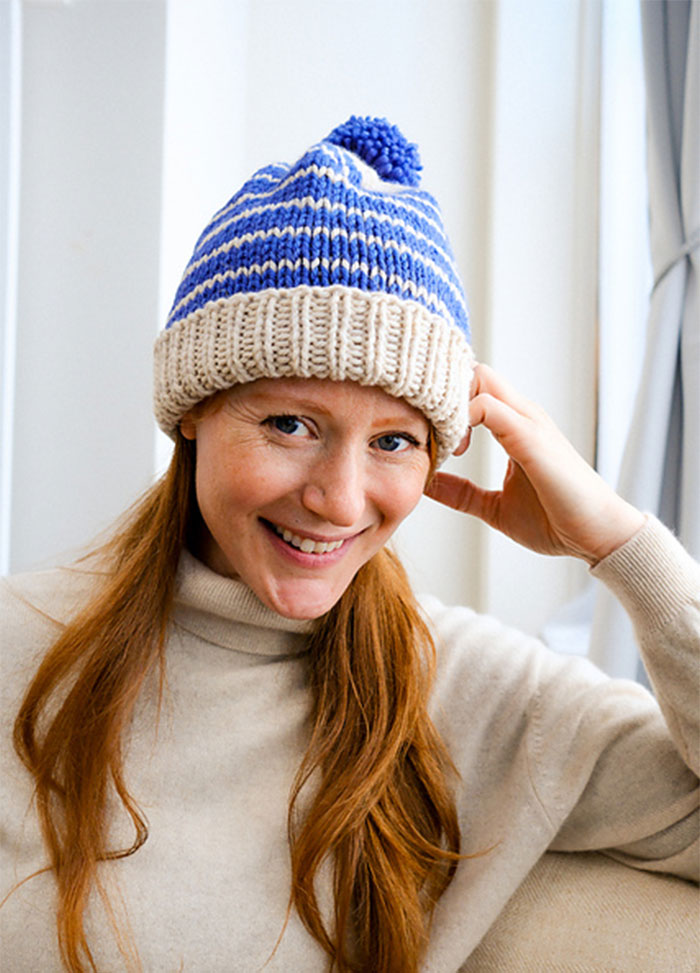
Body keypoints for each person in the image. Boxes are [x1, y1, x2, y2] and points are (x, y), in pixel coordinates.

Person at [1, 116, 698, 973]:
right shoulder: (20, 642)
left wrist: (622, 544)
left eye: (394, 441)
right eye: (291, 424)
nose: (338, 499)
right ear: (193, 410)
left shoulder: (466, 689)